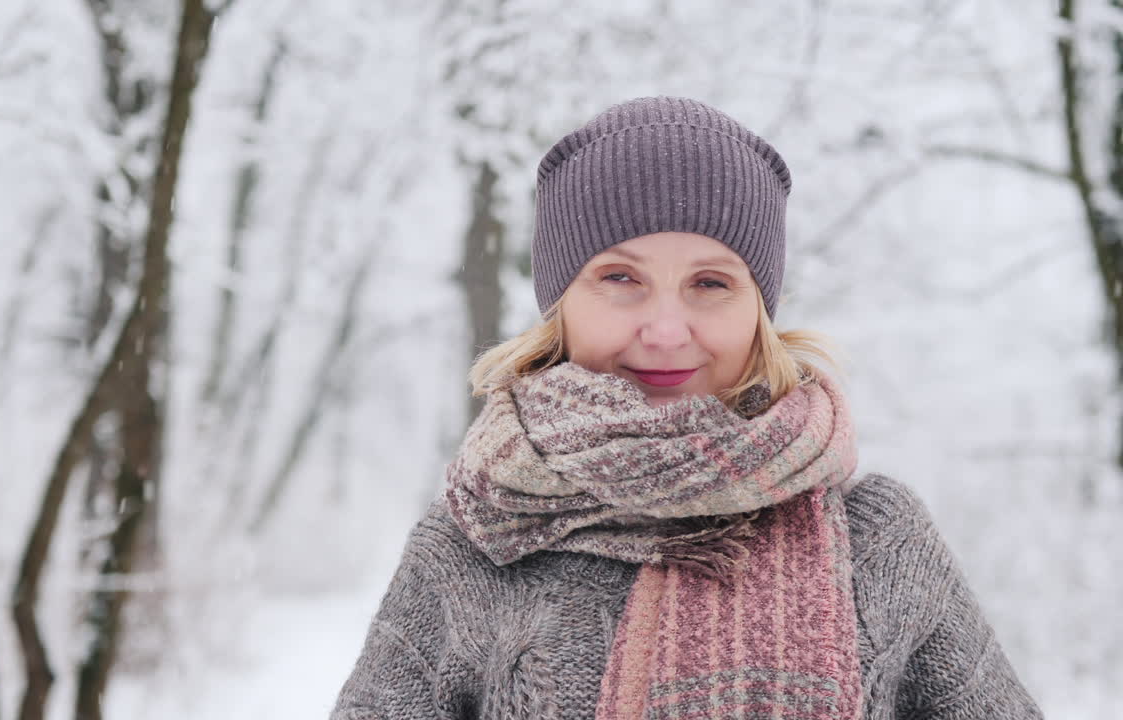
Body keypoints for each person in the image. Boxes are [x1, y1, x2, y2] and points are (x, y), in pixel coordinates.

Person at [330, 96, 1043, 719]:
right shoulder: (479, 538)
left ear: (759, 310)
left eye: (710, 283)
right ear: (559, 306)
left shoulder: (879, 541)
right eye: (619, 278)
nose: (667, 330)